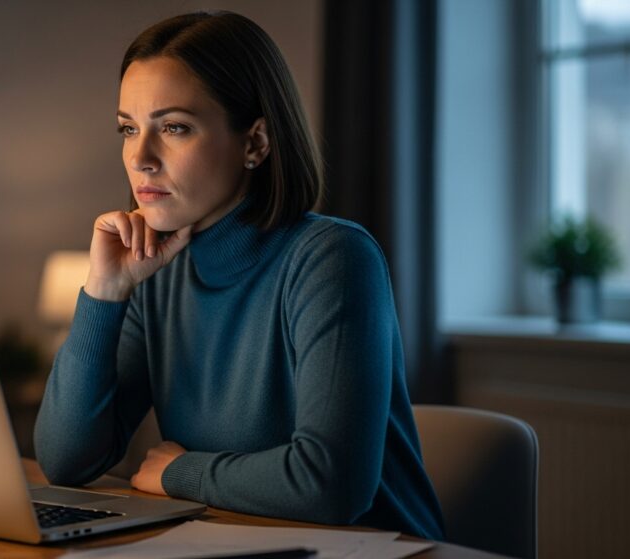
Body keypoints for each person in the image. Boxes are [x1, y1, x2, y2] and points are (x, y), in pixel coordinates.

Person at [34, 11, 445, 540]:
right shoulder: (155, 273)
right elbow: (66, 460)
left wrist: (180, 472)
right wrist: (104, 292)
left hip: (374, 548)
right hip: (236, 540)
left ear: (255, 143)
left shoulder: (334, 258)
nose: (140, 158)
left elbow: (331, 484)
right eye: (129, 129)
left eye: (174, 127)